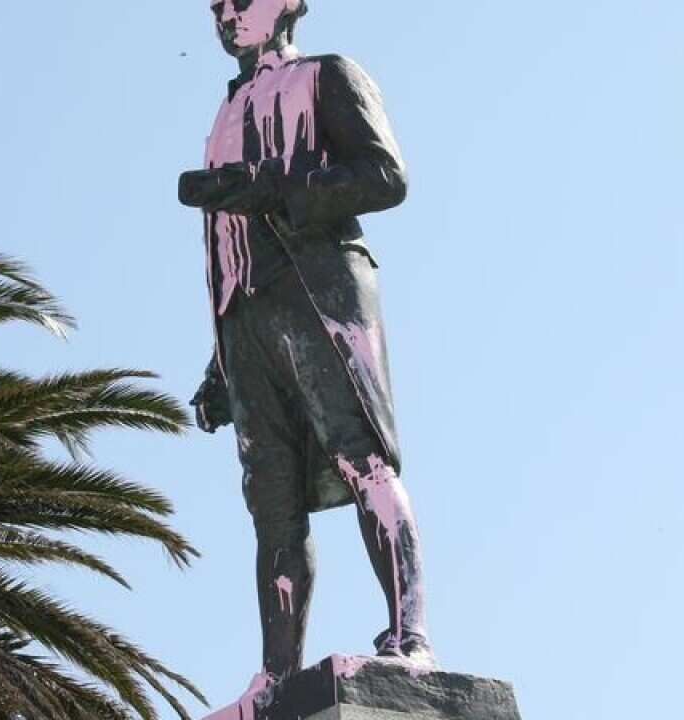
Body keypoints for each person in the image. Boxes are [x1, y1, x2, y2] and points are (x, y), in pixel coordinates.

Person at [179, 0, 434, 711]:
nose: (228, 14)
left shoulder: (328, 76)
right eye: (216, 5)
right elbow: (222, 246)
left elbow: (386, 176)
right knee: (272, 505)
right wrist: (218, 364)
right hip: (247, 318)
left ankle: (409, 639)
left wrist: (278, 192)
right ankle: (277, 676)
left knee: (363, 459)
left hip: (321, 293)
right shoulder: (222, 117)